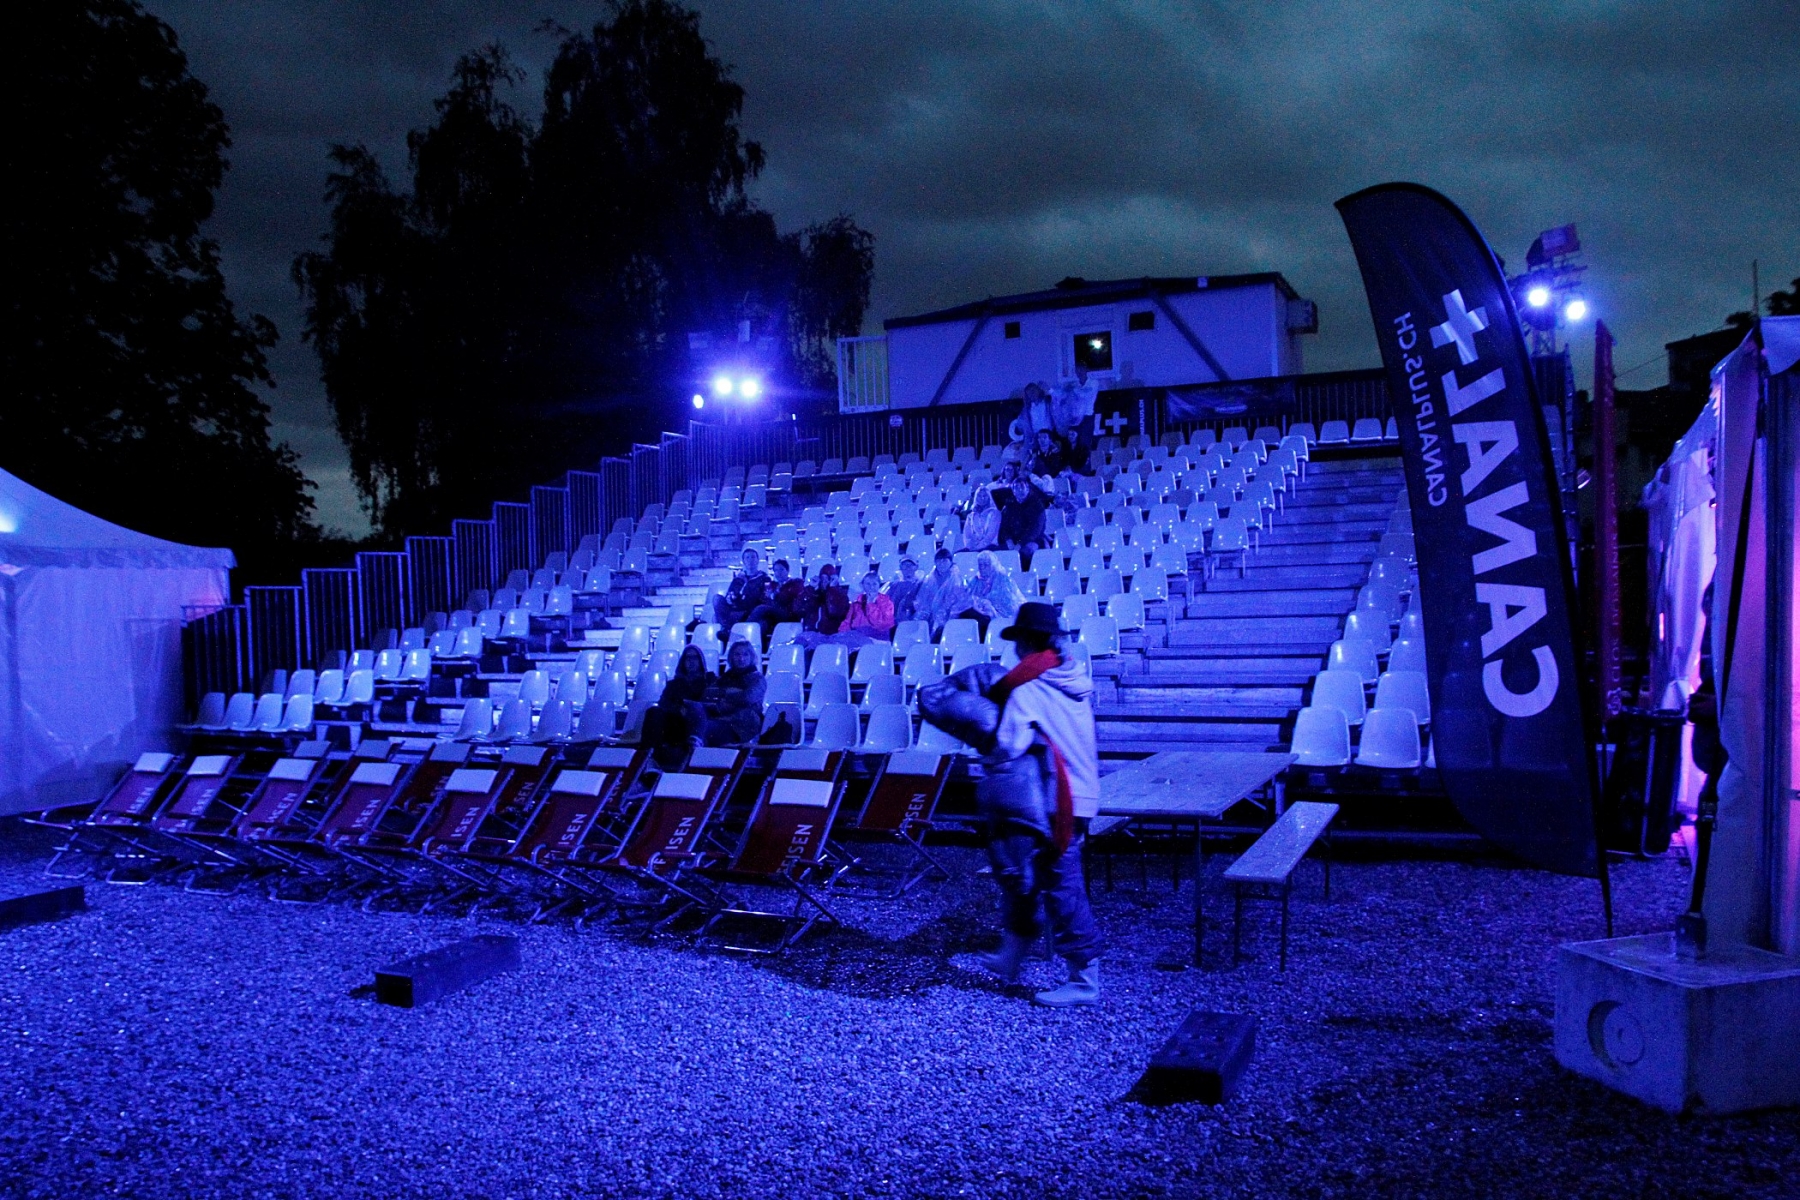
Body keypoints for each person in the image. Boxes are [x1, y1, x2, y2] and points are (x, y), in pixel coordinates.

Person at [976, 601, 1101, 1007]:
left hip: (1052, 798)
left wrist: (984, 746)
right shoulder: (1070, 677)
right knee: (1027, 874)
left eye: (1017, 642)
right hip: (1079, 792)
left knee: (1060, 884)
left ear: (1025, 642)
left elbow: (1008, 745)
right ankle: (1011, 957)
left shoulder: (1029, 687)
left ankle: (1084, 979)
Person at [686, 639, 765, 746]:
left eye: (745, 655)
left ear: (751, 657)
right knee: (694, 707)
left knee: (702, 729)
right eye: (737, 655)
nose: (741, 658)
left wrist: (726, 694)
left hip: (740, 724)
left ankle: (695, 748)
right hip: (720, 717)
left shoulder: (757, 679)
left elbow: (747, 698)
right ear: (731, 657)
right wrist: (730, 696)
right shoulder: (726, 677)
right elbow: (708, 694)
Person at [641, 646, 710, 766]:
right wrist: (678, 709)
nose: (691, 661)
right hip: (675, 721)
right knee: (654, 711)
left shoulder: (709, 681)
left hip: (695, 723)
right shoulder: (674, 684)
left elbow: (707, 704)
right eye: (687, 658)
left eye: (695, 658)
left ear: (701, 661)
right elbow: (664, 702)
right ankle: (647, 756)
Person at [913, 548, 973, 637]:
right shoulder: (928, 579)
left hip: (950, 614)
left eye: (944, 560)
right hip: (931, 614)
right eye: (938, 561)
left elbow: (960, 600)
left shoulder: (957, 579)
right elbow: (922, 599)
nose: (941, 564)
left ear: (950, 562)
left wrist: (944, 609)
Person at [965, 550, 1023, 638]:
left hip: (999, 616)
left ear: (993, 565)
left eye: (986, 565)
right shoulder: (975, 580)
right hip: (979, 614)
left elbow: (1009, 604)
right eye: (980, 565)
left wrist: (988, 604)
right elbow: (967, 597)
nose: (982, 568)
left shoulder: (1004, 580)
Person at [712, 548, 770, 630]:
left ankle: (728, 630)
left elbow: (764, 599)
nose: (750, 560)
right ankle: (727, 628)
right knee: (716, 599)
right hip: (734, 610)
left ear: (758, 560)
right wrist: (731, 598)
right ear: (743, 561)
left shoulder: (765, 579)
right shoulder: (737, 579)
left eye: (753, 557)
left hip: (750, 612)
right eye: (747, 558)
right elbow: (729, 595)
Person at [747, 558, 804, 637]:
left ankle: (745, 629)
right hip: (773, 615)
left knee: (761, 608)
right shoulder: (772, 585)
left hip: (788, 614)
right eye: (776, 570)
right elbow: (764, 599)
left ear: (787, 571)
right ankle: (759, 646)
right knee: (762, 624)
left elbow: (786, 598)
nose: (778, 573)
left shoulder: (796, 583)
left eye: (781, 569)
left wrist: (773, 596)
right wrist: (768, 596)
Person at [800, 563, 850, 635]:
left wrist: (832, 589)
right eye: (822, 578)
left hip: (831, 635)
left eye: (828, 578)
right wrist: (810, 588)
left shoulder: (841, 595)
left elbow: (834, 611)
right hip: (811, 633)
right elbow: (798, 609)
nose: (825, 581)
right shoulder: (814, 593)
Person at [963, 485, 1001, 552]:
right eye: (979, 496)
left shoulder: (995, 513)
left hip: (990, 546)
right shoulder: (970, 516)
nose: (982, 498)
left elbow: (990, 536)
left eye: (985, 496)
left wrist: (978, 547)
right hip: (973, 547)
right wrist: (970, 546)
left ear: (989, 498)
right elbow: (967, 535)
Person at [885, 556, 923, 624]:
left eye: (911, 565)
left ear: (916, 567)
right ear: (900, 568)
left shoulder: (921, 584)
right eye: (905, 565)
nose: (908, 568)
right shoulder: (894, 585)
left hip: (914, 622)